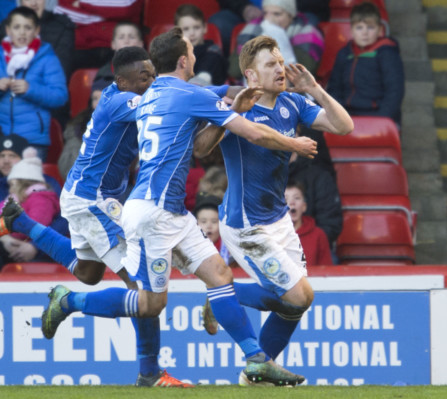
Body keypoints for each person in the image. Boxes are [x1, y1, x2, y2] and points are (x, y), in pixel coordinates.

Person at [40, 27, 317, 386]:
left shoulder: (154, 93)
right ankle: (69, 303)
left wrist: (239, 98)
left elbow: (206, 122)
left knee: (220, 274)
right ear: (185, 60)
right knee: (150, 303)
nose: (197, 56)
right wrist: (293, 143)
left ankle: (256, 359)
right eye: (192, 51)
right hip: (152, 213)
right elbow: (253, 132)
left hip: (171, 210)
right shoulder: (184, 94)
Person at [0, 46, 196, 387]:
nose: (152, 83)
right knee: (141, 288)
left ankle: (25, 225)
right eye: (145, 77)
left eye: (153, 75)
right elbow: (164, 105)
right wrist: (218, 99)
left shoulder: (120, 95)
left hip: (85, 195)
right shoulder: (121, 101)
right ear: (122, 81)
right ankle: (149, 371)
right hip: (94, 200)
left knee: (89, 273)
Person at [197, 35, 353, 384]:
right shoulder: (238, 107)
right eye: (271, 64)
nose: (280, 69)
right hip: (246, 224)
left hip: (278, 218)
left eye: (281, 62)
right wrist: (291, 141)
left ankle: (256, 373)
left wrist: (316, 90)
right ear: (251, 76)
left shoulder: (293, 103)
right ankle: (223, 295)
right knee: (299, 294)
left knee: (295, 304)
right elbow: (206, 146)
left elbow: (344, 126)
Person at [0, 6, 68, 160]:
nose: (22, 32)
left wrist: (30, 89)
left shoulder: (47, 57)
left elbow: (60, 96)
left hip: (33, 140)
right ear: (8, 30)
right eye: (17, 27)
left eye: (28, 27)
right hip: (2, 137)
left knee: (29, 183)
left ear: (37, 30)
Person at [326, 1, 405, 126]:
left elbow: (394, 92)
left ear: (380, 30)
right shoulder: (344, 54)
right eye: (359, 27)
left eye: (370, 27)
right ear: (351, 30)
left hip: (378, 115)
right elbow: (334, 88)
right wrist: (339, 114)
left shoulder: (387, 53)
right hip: (347, 114)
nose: (365, 33)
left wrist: (383, 118)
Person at [228, 0, 324, 80]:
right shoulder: (251, 30)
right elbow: (235, 70)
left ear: (291, 15)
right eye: (265, 13)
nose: (269, 19)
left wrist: (278, 37)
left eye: (277, 14)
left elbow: (303, 71)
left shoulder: (308, 33)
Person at [0, 147, 60, 265]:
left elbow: (32, 227)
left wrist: (6, 235)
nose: (10, 188)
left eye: (12, 184)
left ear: (22, 184)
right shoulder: (18, 198)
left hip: (31, 249)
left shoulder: (41, 199)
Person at [54, 0, 143, 70]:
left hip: (119, 47)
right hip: (82, 48)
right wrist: (105, 15)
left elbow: (125, 6)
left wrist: (83, 2)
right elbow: (61, 12)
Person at [57, 77, 110, 179]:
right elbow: (67, 166)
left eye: (104, 98)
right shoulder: (78, 127)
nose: (99, 103)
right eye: (95, 99)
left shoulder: (129, 125)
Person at [19, 0, 76, 80]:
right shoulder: (6, 28)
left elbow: (61, 73)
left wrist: (29, 86)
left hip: (47, 88)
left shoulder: (62, 27)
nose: (33, 3)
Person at [175, 4, 228, 86]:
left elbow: (200, 83)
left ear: (205, 28)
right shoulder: (173, 54)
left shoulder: (213, 52)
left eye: (196, 27)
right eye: (186, 29)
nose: (192, 33)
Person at [0, 133, 60, 201]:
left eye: (12, 156)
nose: (6, 161)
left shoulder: (47, 182)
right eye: (2, 156)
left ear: (24, 159)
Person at [285, 180, 332, 265]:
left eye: (297, 198)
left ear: (304, 206)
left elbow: (327, 273)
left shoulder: (318, 235)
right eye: (285, 199)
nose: (292, 203)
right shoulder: (270, 236)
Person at [93, 22, 145, 86]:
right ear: (113, 44)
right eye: (121, 37)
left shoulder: (152, 72)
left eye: (132, 37)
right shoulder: (104, 73)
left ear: (141, 44)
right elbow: (98, 93)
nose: (126, 41)